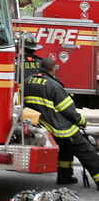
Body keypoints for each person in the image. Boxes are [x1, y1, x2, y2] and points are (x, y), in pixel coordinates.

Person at [24, 57, 99, 189]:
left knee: (66, 148)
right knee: (88, 152)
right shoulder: (54, 85)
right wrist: (82, 121)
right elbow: (69, 110)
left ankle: (65, 176)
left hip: (42, 126)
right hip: (60, 128)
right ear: (53, 69)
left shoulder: (27, 81)